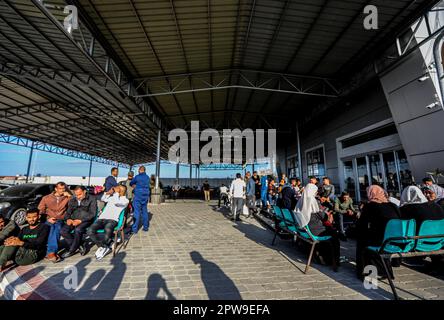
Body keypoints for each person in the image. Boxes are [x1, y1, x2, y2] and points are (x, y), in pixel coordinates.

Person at [355, 185, 401, 280]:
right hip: (396, 239)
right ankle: (384, 269)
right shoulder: (393, 205)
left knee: (362, 240)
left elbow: (361, 224)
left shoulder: (371, 206)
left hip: (381, 240)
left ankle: (365, 271)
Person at [293, 184, 340, 270]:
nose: (316, 192)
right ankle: (335, 261)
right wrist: (327, 214)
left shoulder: (301, 200)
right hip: (314, 231)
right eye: (315, 191)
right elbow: (322, 216)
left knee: (330, 231)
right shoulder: (312, 201)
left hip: (304, 230)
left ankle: (325, 256)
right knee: (335, 235)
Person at [87, 185, 129, 260]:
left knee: (108, 229)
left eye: (118, 188)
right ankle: (104, 245)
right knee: (90, 230)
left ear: (122, 191)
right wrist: (107, 193)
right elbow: (103, 199)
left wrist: (116, 193)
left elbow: (117, 203)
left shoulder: (125, 200)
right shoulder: (113, 197)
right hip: (101, 219)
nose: (116, 189)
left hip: (112, 220)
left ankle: (106, 244)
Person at [38, 181, 71, 263]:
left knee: (57, 227)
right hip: (48, 219)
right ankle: (51, 252)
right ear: (56, 189)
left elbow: (74, 207)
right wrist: (47, 219)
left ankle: (50, 252)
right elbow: (40, 211)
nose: (62, 191)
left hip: (61, 219)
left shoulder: (67, 197)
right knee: (51, 227)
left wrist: (70, 197)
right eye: (60, 189)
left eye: (64, 189)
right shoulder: (46, 198)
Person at [60, 186, 97, 259]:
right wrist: (68, 219)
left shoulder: (92, 198)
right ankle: (80, 244)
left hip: (86, 220)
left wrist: (80, 221)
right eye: (76, 195)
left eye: (79, 194)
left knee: (78, 230)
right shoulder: (73, 200)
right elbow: (68, 212)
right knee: (63, 231)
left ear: (84, 192)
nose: (78, 196)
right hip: (73, 219)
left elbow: (92, 214)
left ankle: (71, 250)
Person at [130, 166, 151, 234]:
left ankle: (135, 229)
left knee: (137, 212)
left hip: (138, 195)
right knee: (145, 211)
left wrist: (134, 186)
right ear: (144, 170)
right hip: (145, 196)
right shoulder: (147, 177)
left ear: (139, 170)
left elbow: (131, 183)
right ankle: (145, 227)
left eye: (139, 170)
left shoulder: (137, 177)